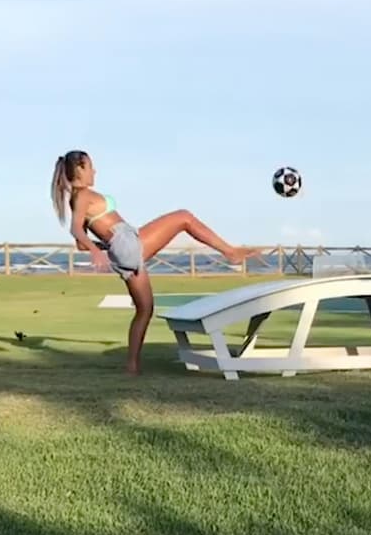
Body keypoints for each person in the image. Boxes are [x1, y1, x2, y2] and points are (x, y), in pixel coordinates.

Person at [52, 150, 258, 375]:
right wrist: (98, 250)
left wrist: (107, 247)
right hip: (127, 244)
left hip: (123, 248)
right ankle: (230, 252)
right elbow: (76, 230)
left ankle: (132, 367)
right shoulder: (82, 195)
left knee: (144, 310)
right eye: (90, 166)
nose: (95, 171)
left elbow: (80, 244)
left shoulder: (77, 198)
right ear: (80, 168)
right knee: (184, 217)